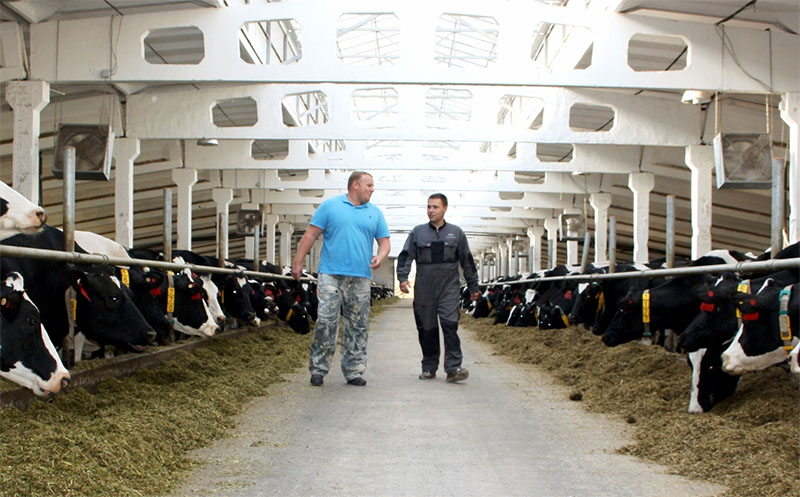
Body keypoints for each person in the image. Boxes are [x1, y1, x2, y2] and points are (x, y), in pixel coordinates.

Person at [292, 171, 390, 387]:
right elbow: (310, 234)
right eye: (369, 185)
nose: (372, 189)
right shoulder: (330, 206)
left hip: (361, 276)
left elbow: (384, 242)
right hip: (331, 274)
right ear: (355, 185)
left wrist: (380, 256)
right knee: (326, 320)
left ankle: (354, 370)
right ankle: (318, 368)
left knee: (358, 324)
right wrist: (298, 262)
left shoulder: (375, 213)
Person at [396, 193, 480, 383]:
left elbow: (467, 261)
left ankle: (453, 368)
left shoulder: (456, 233)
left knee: (450, 325)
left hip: (449, 286)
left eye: (435, 207)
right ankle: (429, 367)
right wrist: (402, 278)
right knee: (427, 329)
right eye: (428, 207)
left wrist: (473, 286)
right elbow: (406, 256)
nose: (431, 210)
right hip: (425, 287)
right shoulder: (417, 232)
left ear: (445, 208)